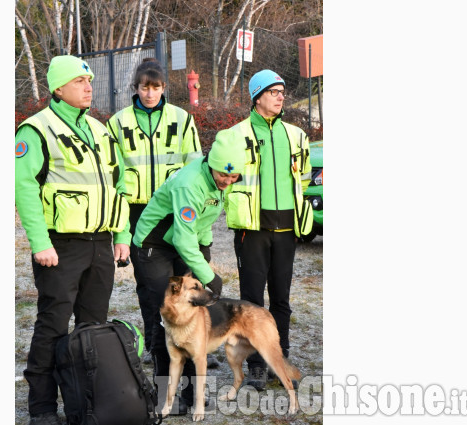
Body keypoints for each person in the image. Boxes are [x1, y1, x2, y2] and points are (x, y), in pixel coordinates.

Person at [15, 55, 131, 425]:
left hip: (100, 244)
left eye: (89, 80)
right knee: (53, 324)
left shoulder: (99, 130)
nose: (88, 86)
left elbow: (120, 184)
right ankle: (43, 407)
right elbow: (24, 189)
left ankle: (86, 404)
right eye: (79, 80)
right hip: (60, 246)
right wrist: (39, 242)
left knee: (93, 327)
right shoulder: (35, 130)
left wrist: (122, 234)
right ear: (58, 88)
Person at [132, 133, 245, 412]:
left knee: (194, 311)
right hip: (155, 244)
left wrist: (204, 250)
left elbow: (204, 219)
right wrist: (209, 276)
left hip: (180, 241)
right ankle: (164, 394)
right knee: (165, 313)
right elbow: (183, 239)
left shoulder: (221, 181)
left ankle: (192, 392)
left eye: (233, 178)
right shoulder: (190, 183)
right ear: (210, 164)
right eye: (223, 175)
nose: (227, 182)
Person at [221, 69, 313, 391]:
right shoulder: (235, 135)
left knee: (282, 301)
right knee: (251, 303)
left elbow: (301, 180)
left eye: (282, 91)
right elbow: (224, 181)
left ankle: (280, 361)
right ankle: (256, 366)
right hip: (252, 230)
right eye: (274, 91)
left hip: (286, 228)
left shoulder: (296, 135)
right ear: (257, 96)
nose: (280, 96)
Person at [106, 58, 202, 360]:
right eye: (145, 88)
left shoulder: (182, 119)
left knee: (184, 281)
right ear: (136, 88)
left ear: (164, 88)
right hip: (138, 211)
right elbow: (113, 174)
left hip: (175, 209)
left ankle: (191, 341)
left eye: (156, 87)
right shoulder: (118, 123)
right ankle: (154, 343)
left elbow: (196, 165)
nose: (150, 94)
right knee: (150, 286)